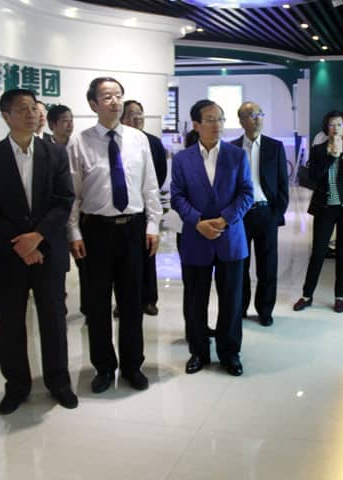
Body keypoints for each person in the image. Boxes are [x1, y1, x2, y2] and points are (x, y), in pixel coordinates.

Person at [0, 88, 78, 414]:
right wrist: (22, 244)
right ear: (6, 116)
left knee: (54, 319)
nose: (31, 114)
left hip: (48, 251)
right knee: (11, 323)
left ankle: (59, 382)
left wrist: (37, 237)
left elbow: (64, 200)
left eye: (33, 108)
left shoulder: (55, 153)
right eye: (22, 109)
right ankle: (16, 386)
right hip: (9, 255)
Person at [67, 77, 161, 394]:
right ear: (93, 104)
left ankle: (133, 366)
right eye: (107, 96)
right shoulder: (79, 142)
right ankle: (104, 367)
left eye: (118, 95)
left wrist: (153, 225)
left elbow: (150, 186)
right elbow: (73, 194)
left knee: (132, 302)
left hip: (133, 229)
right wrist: (74, 231)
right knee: (97, 304)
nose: (115, 101)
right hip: (96, 231)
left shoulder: (138, 139)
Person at [171, 99, 253, 376]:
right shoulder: (182, 159)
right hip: (196, 238)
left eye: (220, 119)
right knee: (195, 300)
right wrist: (197, 222)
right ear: (196, 125)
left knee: (231, 300)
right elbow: (177, 196)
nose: (217, 124)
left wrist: (225, 219)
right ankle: (199, 351)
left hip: (230, 237)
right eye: (210, 119)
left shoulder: (237, 155)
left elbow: (246, 193)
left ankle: (230, 353)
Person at [293, 111, 343, 313]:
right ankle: (307, 295)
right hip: (325, 208)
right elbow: (313, 176)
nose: (336, 128)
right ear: (327, 127)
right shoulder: (318, 150)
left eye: (339, 124)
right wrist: (331, 156)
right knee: (318, 253)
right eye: (332, 125)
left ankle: (339, 297)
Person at [231, 101, 288, 327]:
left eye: (259, 114)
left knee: (268, 266)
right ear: (241, 120)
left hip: (266, 213)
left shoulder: (275, 147)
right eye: (251, 114)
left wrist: (277, 212)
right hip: (240, 215)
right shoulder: (232, 149)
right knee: (240, 265)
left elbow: (283, 184)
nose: (257, 119)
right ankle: (240, 308)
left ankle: (265, 310)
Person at [120, 100, 167, 316]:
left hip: (146, 206)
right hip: (123, 208)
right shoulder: (116, 141)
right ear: (122, 118)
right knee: (122, 260)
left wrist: (148, 197)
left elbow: (160, 173)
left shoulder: (153, 142)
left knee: (148, 254)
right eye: (132, 114)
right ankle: (124, 302)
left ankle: (149, 299)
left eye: (140, 113)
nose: (137, 117)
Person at [45, 105, 88, 317]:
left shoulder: (80, 146)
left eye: (71, 120)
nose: (69, 124)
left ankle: (88, 307)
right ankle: (58, 304)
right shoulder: (44, 150)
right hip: (56, 217)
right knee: (58, 266)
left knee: (86, 265)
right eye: (64, 120)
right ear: (52, 124)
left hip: (81, 215)